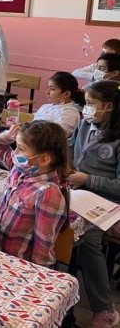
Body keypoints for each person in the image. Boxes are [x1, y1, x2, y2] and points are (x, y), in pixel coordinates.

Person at [69, 80, 120, 327]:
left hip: (111, 201)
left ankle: (105, 309)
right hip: (80, 192)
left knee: (87, 237)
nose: (86, 109)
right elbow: (70, 149)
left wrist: (88, 179)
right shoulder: (85, 124)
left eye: (91, 103)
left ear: (109, 106)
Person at [0, 121, 69, 268]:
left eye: (20, 148)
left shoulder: (47, 193)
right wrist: (7, 136)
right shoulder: (19, 170)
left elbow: (43, 247)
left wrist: (35, 272)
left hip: (15, 264)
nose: (14, 153)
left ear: (43, 159)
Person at [33, 71, 84, 138]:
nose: (47, 92)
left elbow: (58, 135)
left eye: (52, 89)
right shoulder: (45, 107)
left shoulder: (70, 112)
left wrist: (30, 131)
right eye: (48, 88)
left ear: (66, 94)